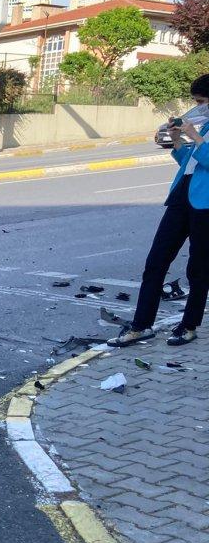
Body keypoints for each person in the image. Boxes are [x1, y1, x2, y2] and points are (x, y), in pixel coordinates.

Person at [109, 76, 209, 348]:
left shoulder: (202, 130)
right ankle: (141, 325)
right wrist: (178, 141)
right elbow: (189, 162)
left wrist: (196, 137)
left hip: (205, 205)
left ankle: (188, 326)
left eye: (201, 102)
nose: (198, 107)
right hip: (181, 198)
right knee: (155, 262)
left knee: (198, 269)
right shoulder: (205, 126)